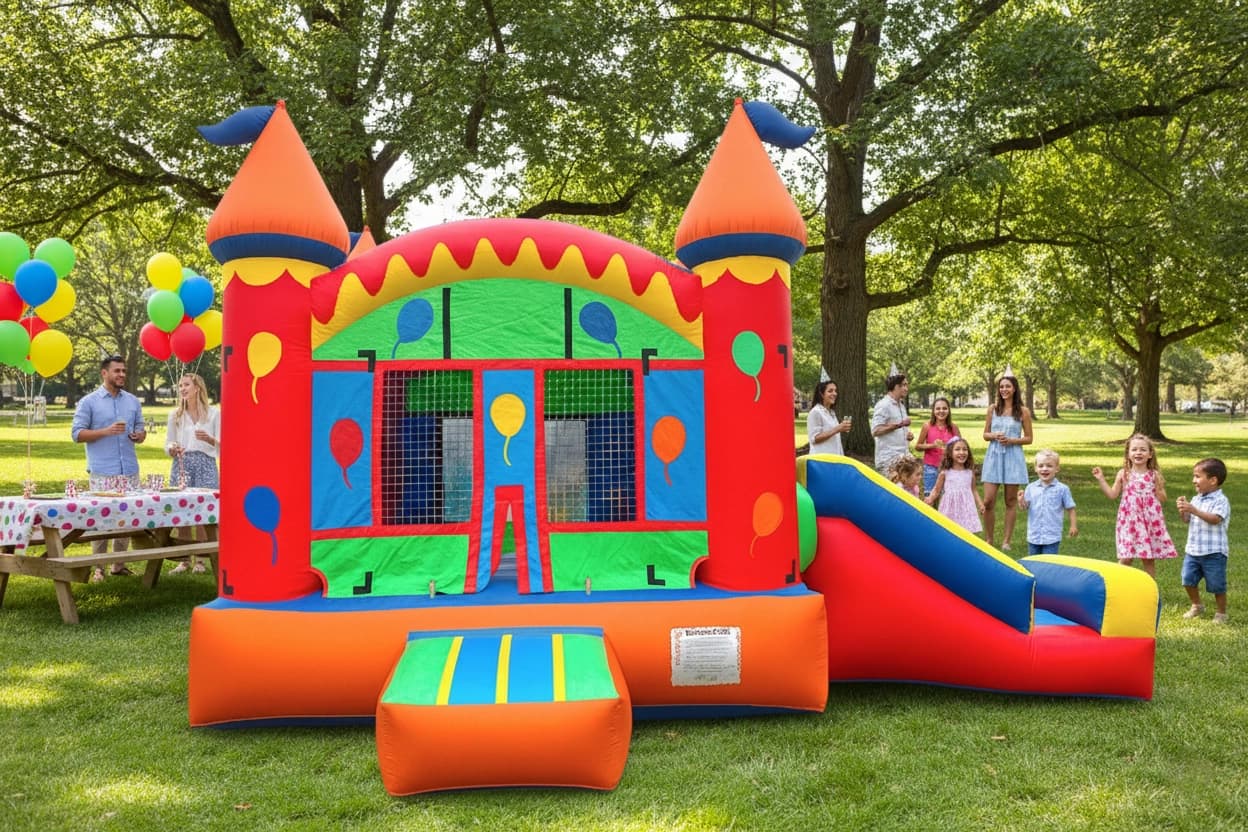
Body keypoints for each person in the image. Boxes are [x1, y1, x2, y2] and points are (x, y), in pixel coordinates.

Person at [71, 354, 147, 582]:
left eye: (124, 371)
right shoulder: (89, 402)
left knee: (126, 517)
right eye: (117, 371)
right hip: (103, 471)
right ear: (104, 373)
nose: (122, 374)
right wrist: (106, 431)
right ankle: (98, 568)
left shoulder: (132, 401)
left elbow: (141, 429)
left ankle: (118, 565)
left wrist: (139, 435)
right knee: (100, 521)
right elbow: (77, 434)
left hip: (129, 470)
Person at [1092, 433, 1178, 578]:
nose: (1138, 452)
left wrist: (1158, 487)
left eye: (1143, 450)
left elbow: (1163, 498)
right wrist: (1101, 479)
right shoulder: (1123, 474)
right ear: (1128, 454)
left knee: (1148, 558)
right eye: (1134, 449)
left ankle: (1151, 590)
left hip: (1149, 521)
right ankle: (1117, 583)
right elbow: (1112, 495)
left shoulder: (1154, 475)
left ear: (1150, 454)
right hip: (1129, 521)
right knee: (1126, 557)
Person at [164, 373, 221, 574]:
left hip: (206, 463)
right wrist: (172, 448)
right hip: (182, 463)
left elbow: (225, 445)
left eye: (186, 384)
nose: (182, 389)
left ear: (197, 387)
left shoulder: (214, 413)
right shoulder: (176, 415)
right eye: (180, 385)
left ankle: (201, 560)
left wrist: (209, 439)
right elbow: (168, 443)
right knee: (182, 513)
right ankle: (184, 559)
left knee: (205, 513)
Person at [980, 373, 1032, 551]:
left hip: (1013, 457)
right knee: (988, 501)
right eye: (1001, 387)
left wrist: (1011, 440)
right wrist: (995, 435)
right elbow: (985, 434)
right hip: (994, 456)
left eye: (1007, 386)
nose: (1004, 390)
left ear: (1014, 388)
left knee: (1010, 500)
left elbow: (1029, 438)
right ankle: (989, 539)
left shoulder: (1023, 412)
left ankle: (1006, 541)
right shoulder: (992, 409)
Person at [1176, 457, 1230, 623]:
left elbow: (1215, 519)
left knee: (1216, 585)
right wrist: (1184, 510)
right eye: (1194, 476)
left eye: (1198, 476)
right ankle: (1197, 605)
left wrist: (1194, 509)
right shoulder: (1196, 498)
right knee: (1187, 579)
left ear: (1213, 480)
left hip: (1214, 552)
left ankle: (1221, 613)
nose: (1194, 480)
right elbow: (1187, 520)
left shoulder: (1221, 500)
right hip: (1193, 550)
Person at [1018, 449, 1078, 555]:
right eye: (1041, 466)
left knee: (1049, 563)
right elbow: (1024, 507)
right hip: (1034, 535)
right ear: (1036, 468)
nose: (1044, 469)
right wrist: (1021, 500)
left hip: (1052, 536)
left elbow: (1071, 508)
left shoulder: (1062, 489)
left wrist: (1073, 526)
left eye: (1049, 466)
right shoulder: (1031, 488)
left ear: (1057, 469)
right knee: (1033, 563)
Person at [925, 438, 984, 534]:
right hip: (950, 508)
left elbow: (974, 490)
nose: (962, 452)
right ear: (950, 453)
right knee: (948, 531)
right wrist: (930, 499)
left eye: (965, 449)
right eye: (957, 449)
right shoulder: (945, 473)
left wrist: (980, 504)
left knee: (967, 533)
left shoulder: (969, 473)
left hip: (966, 508)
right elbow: (936, 490)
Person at [915, 397, 959, 495]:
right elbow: (918, 446)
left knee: (947, 497)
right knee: (930, 497)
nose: (941, 411)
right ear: (933, 411)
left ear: (948, 410)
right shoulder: (927, 426)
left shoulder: (953, 427)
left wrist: (950, 450)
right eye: (938, 408)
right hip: (931, 468)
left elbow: (961, 447)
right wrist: (932, 445)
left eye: (944, 408)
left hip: (949, 467)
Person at [871, 372, 912, 474]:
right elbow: (875, 431)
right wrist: (899, 425)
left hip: (903, 456)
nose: (907, 388)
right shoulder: (884, 405)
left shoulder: (901, 406)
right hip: (888, 459)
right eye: (904, 385)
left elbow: (901, 428)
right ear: (896, 387)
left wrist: (908, 435)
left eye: (907, 385)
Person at [806, 379, 852, 456]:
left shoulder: (832, 412)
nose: (834, 393)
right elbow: (814, 438)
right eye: (830, 391)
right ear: (821, 394)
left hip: (834, 459)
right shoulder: (816, 412)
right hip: (822, 460)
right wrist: (837, 429)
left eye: (835, 391)